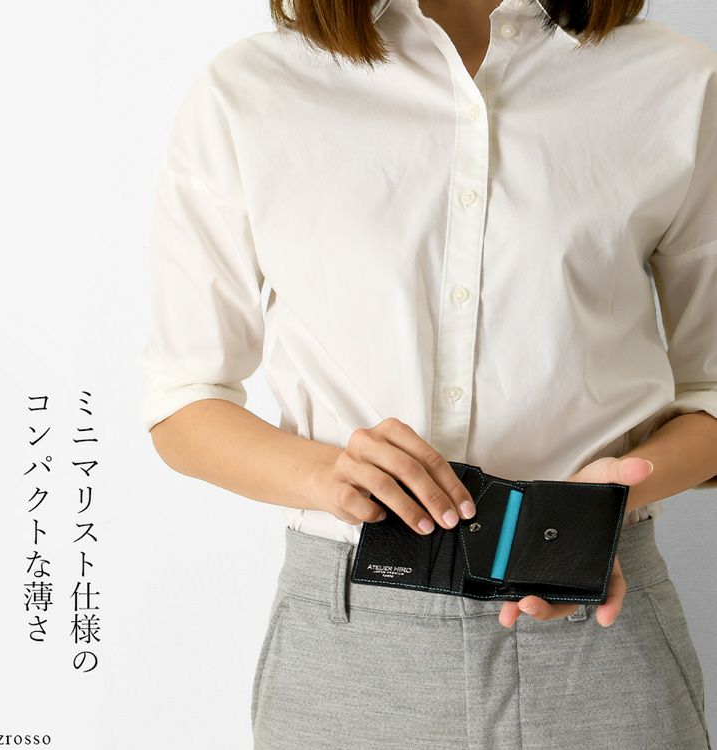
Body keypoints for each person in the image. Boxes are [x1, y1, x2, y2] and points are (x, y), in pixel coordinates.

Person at [138, 0, 717, 746]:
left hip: (598, 632)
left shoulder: (678, 84)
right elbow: (184, 399)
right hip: (348, 652)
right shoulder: (250, 90)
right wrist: (330, 476)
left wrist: (608, 499)